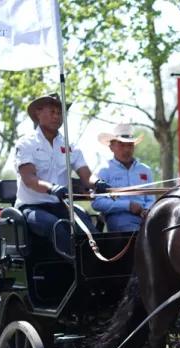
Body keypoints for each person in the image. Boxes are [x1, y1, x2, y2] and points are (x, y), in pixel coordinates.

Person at [13, 93, 108, 253]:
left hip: (62, 205)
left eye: (60, 113)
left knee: (88, 227)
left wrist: (97, 183)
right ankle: (77, 269)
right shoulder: (26, 143)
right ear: (38, 112)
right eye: (52, 112)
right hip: (32, 207)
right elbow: (29, 179)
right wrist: (52, 188)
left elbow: (86, 175)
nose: (57, 116)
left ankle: (99, 269)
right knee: (57, 227)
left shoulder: (70, 145)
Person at [92, 123, 155, 232]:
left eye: (130, 145)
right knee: (135, 234)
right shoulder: (103, 170)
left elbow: (151, 199)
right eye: (121, 145)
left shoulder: (145, 170)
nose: (126, 149)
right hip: (119, 218)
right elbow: (97, 202)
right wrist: (127, 205)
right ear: (111, 147)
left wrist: (147, 210)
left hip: (147, 217)